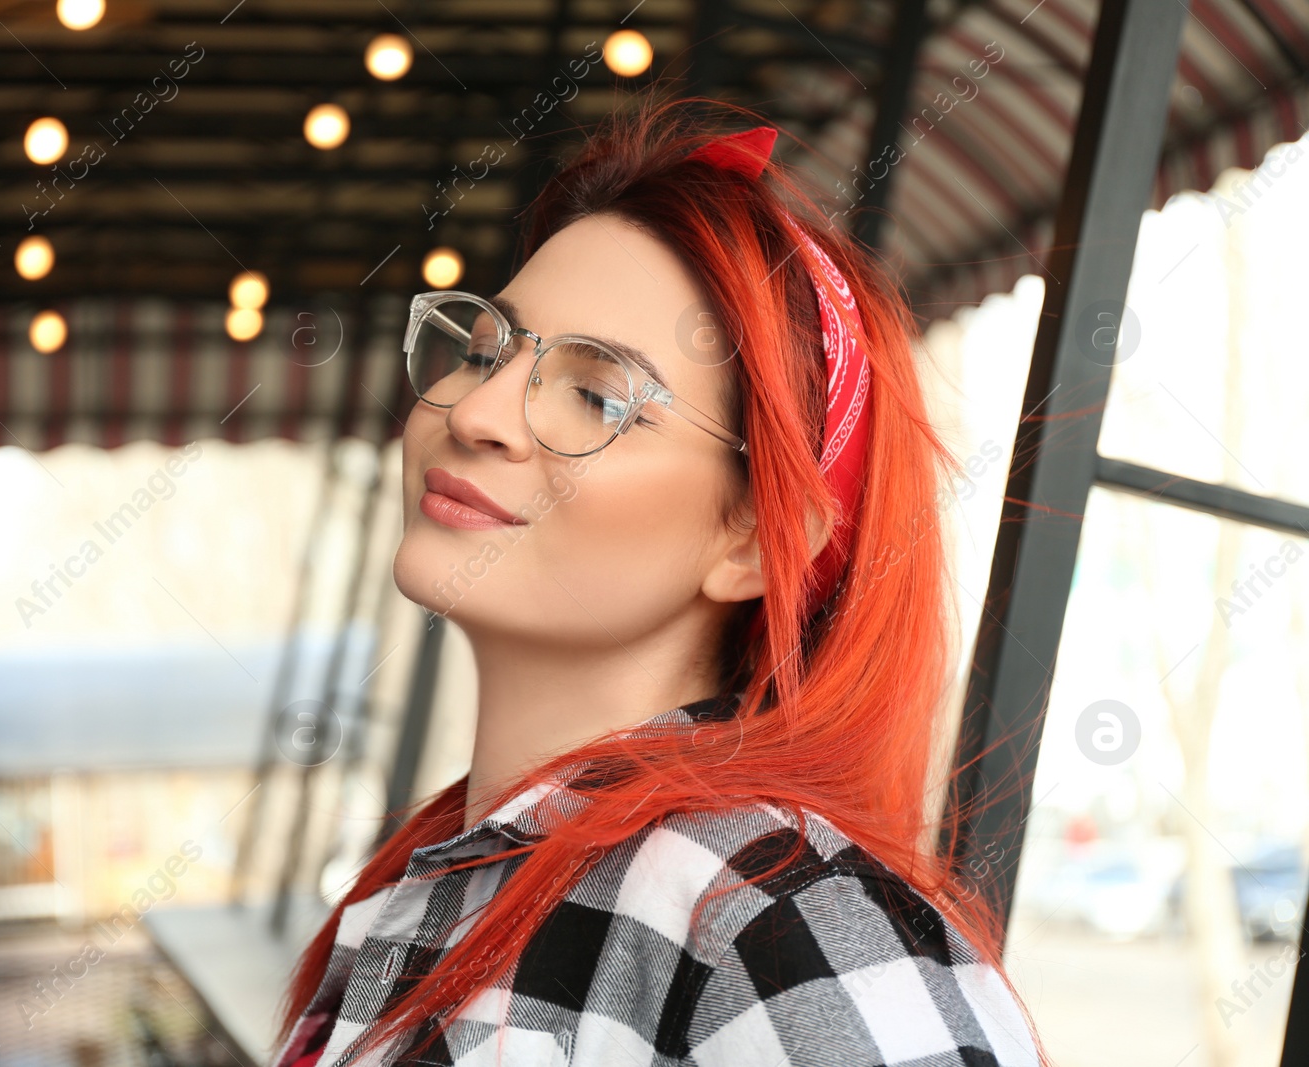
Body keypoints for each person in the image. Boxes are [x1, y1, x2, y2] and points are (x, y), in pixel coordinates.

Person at [267, 95, 1044, 1067]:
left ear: (754, 540)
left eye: (595, 395)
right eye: (485, 351)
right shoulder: (419, 893)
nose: (478, 414)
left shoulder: (777, 915)